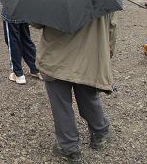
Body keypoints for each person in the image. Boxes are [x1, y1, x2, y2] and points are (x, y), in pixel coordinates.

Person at [34, 15, 115, 163]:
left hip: (56, 57)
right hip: (91, 54)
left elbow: (37, 22)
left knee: (61, 105)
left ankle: (69, 147)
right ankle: (100, 131)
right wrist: (107, 53)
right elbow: (111, 25)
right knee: (88, 97)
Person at [2, 9, 40, 85]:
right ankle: (35, 68)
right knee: (26, 39)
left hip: (11, 12)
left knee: (13, 43)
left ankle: (18, 73)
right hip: (24, 11)